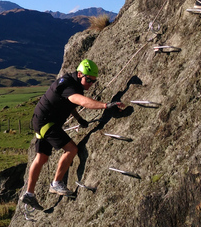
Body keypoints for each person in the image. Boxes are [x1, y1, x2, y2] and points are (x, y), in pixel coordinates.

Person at [20, 59, 126, 210]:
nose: (90, 84)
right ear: (79, 74)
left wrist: (79, 118)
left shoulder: (71, 83)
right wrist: (105, 106)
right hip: (47, 122)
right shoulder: (68, 85)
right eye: (88, 80)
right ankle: (56, 183)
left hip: (40, 120)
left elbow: (67, 104)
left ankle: (29, 194)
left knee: (42, 157)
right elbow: (80, 101)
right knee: (72, 149)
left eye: (93, 81)